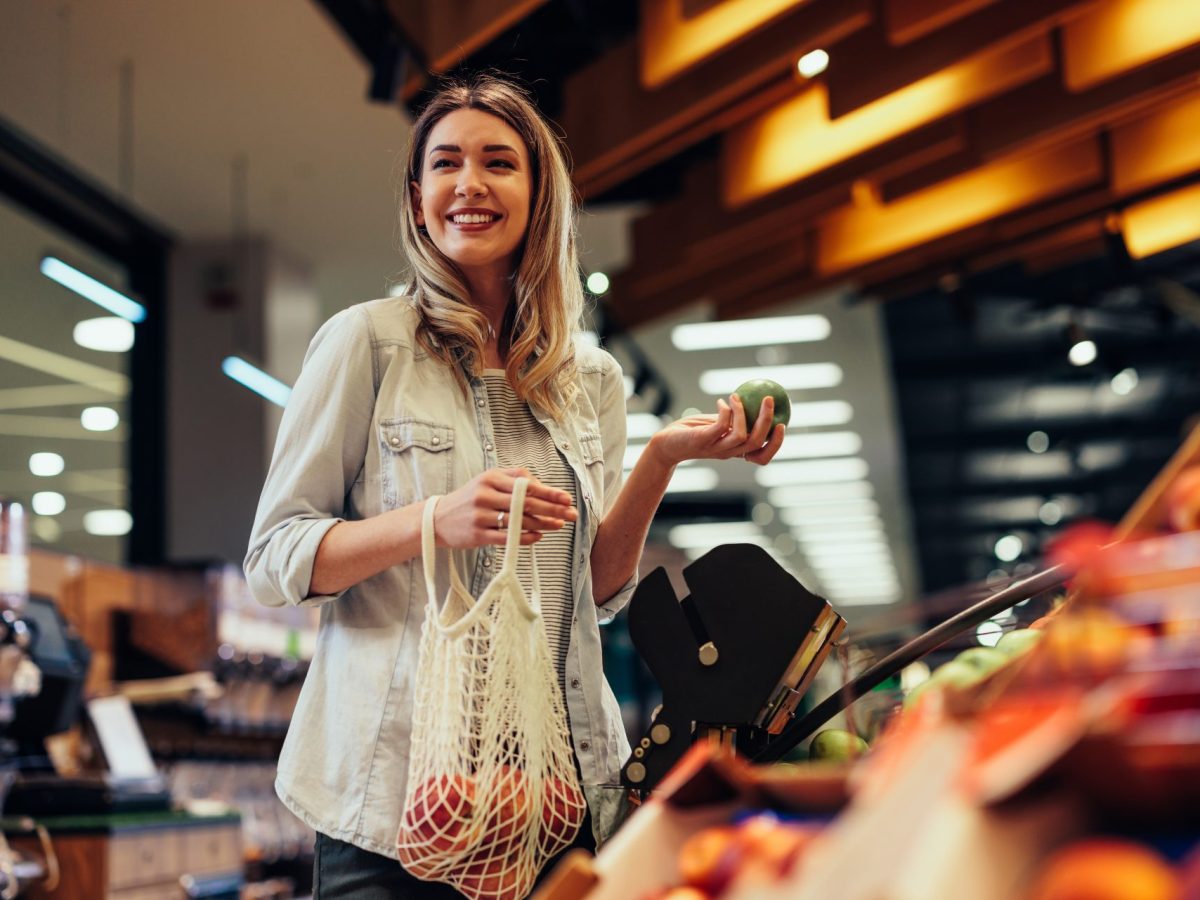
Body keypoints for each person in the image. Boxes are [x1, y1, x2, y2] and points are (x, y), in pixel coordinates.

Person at [244, 73, 785, 898]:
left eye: (499, 162)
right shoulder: (368, 345)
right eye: (446, 163)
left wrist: (663, 457)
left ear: (539, 195)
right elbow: (276, 557)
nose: (470, 184)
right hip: (399, 804)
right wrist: (435, 519)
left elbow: (597, 589)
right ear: (417, 195)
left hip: (553, 792)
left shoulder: (589, 379)